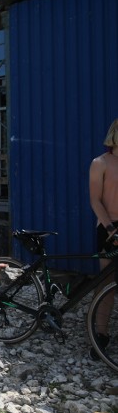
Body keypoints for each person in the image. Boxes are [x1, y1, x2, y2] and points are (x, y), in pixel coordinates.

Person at [89, 118, 118, 360]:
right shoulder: (100, 163)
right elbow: (95, 200)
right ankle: (100, 334)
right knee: (107, 283)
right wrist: (110, 228)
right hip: (109, 227)